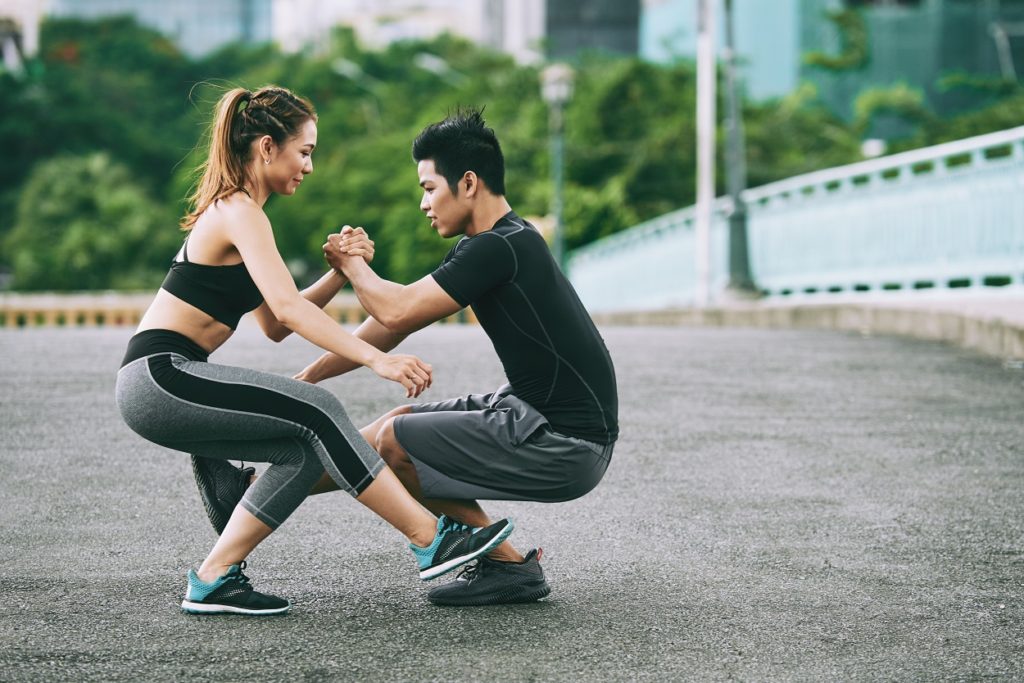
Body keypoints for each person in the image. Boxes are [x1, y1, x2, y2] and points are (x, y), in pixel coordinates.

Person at [114, 88, 514, 616]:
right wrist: (378, 359)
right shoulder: (238, 211)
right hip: (161, 376)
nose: (309, 165)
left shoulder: (245, 214)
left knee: (302, 451)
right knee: (320, 410)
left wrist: (336, 269)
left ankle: (213, 578)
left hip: (164, 381)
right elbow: (286, 312)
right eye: (303, 151)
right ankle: (430, 540)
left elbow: (273, 322)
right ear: (265, 148)